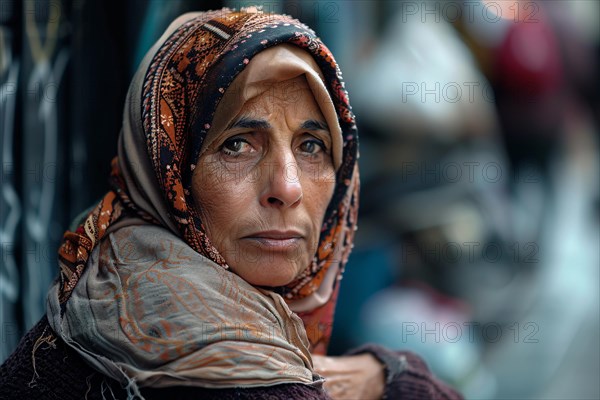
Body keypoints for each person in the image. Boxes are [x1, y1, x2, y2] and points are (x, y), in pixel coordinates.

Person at [0, 8, 463, 400]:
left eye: (311, 147)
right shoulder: (243, 376)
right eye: (238, 145)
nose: (287, 187)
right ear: (170, 170)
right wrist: (396, 378)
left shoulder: (103, 288)